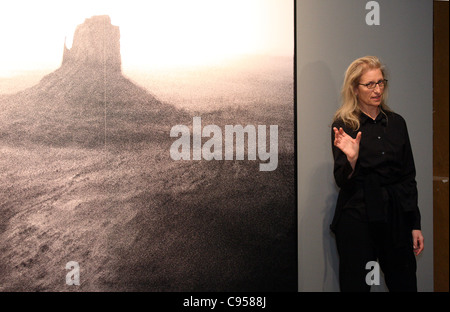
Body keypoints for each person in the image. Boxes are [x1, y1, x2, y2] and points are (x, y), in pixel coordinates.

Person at [330, 56, 424, 292]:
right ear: (355, 88)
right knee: (355, 286)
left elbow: (407, 176)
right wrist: (351, 160)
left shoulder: (397, 123)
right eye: (369, 84)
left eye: (380, 83)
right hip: (358, 215)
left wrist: (414, 224)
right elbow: (341, 180)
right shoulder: (345, 124)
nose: (377, 89)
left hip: (395, 215)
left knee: (405, 284)